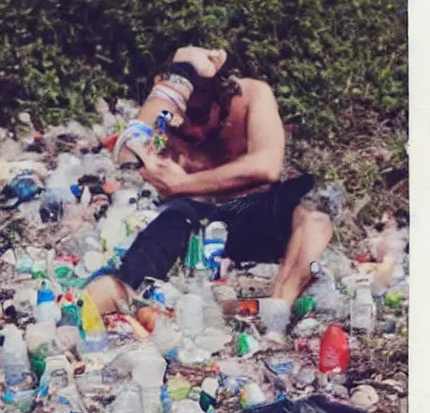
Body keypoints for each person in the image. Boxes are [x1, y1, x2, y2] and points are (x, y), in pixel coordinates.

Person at [86, 46, 333, 340]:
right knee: (177, 215)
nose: (191, 127)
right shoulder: (170, 115)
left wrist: (181, 184)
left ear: (223, 99)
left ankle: (279, 310)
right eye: (184, 113)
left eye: (201, 114)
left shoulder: (252, 96)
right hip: (200, 224)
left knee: (316, 205)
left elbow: (267, 167)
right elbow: (128, 151)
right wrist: (180, 76)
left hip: (252, 215)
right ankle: (118, 289)